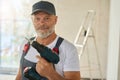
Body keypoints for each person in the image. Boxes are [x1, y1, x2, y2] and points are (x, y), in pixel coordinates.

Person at [15, 1, 81, 80]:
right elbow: (19, 75)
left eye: (47, 18)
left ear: (55, 20)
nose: (42, 23)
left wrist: (51, 74)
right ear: (33, 21)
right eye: (37, 19)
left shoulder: (69, 49)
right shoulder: (25, 45)